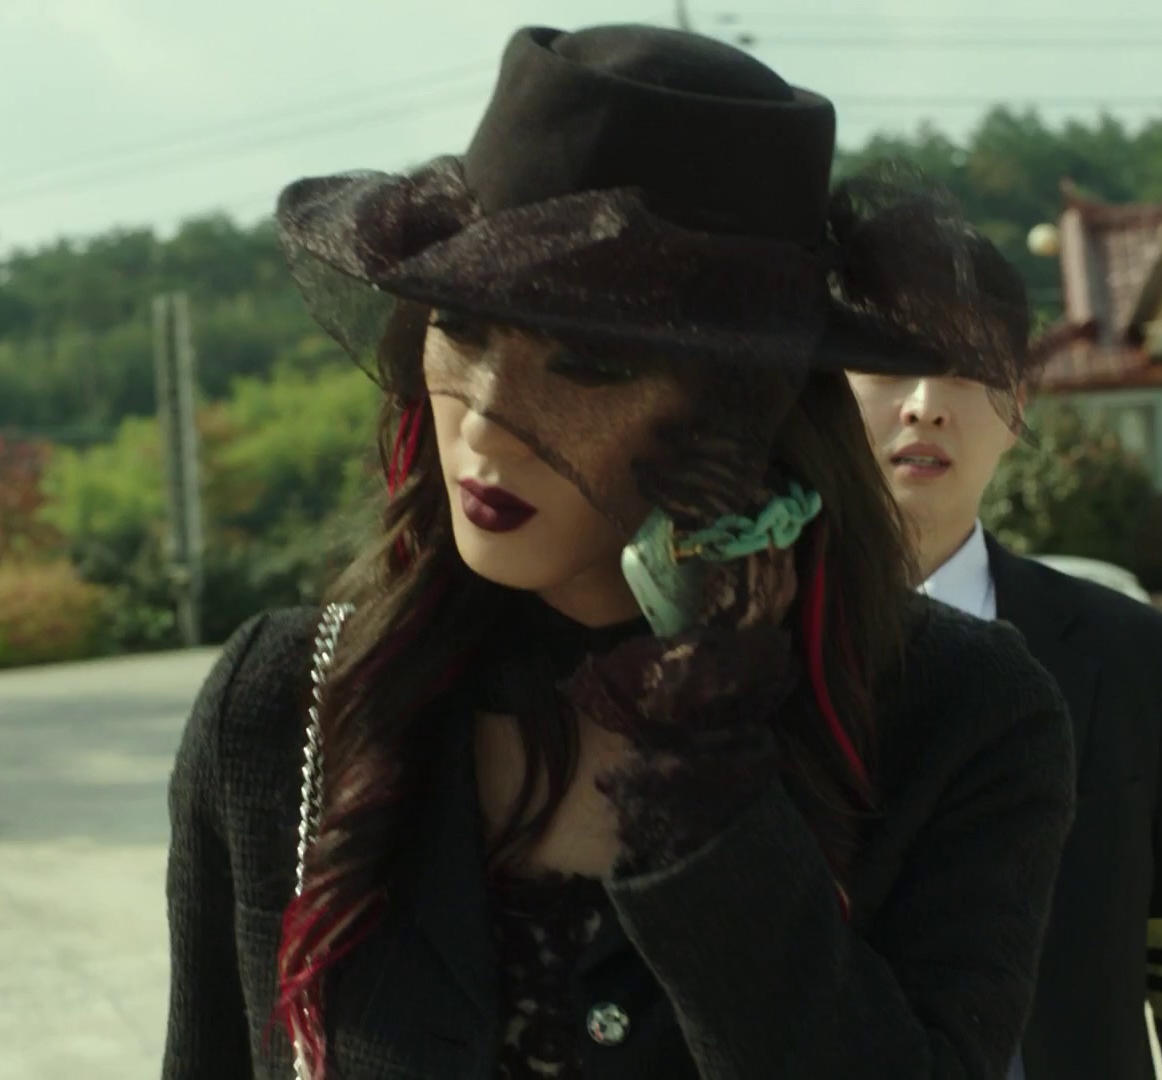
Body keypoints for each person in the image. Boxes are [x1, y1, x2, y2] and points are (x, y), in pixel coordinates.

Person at [163, 25, 1075, 1080]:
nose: (489, 420)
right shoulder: (288, 704)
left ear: (747, 398)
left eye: (590, 362)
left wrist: (712, 790)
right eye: (463, 326)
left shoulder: (959, 715)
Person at [845, 228, 1162, 1080]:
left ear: (1018, 407)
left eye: (969, 368)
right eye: (889, 363)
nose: (926, 404)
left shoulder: (1134, 661)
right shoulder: (742, 657)